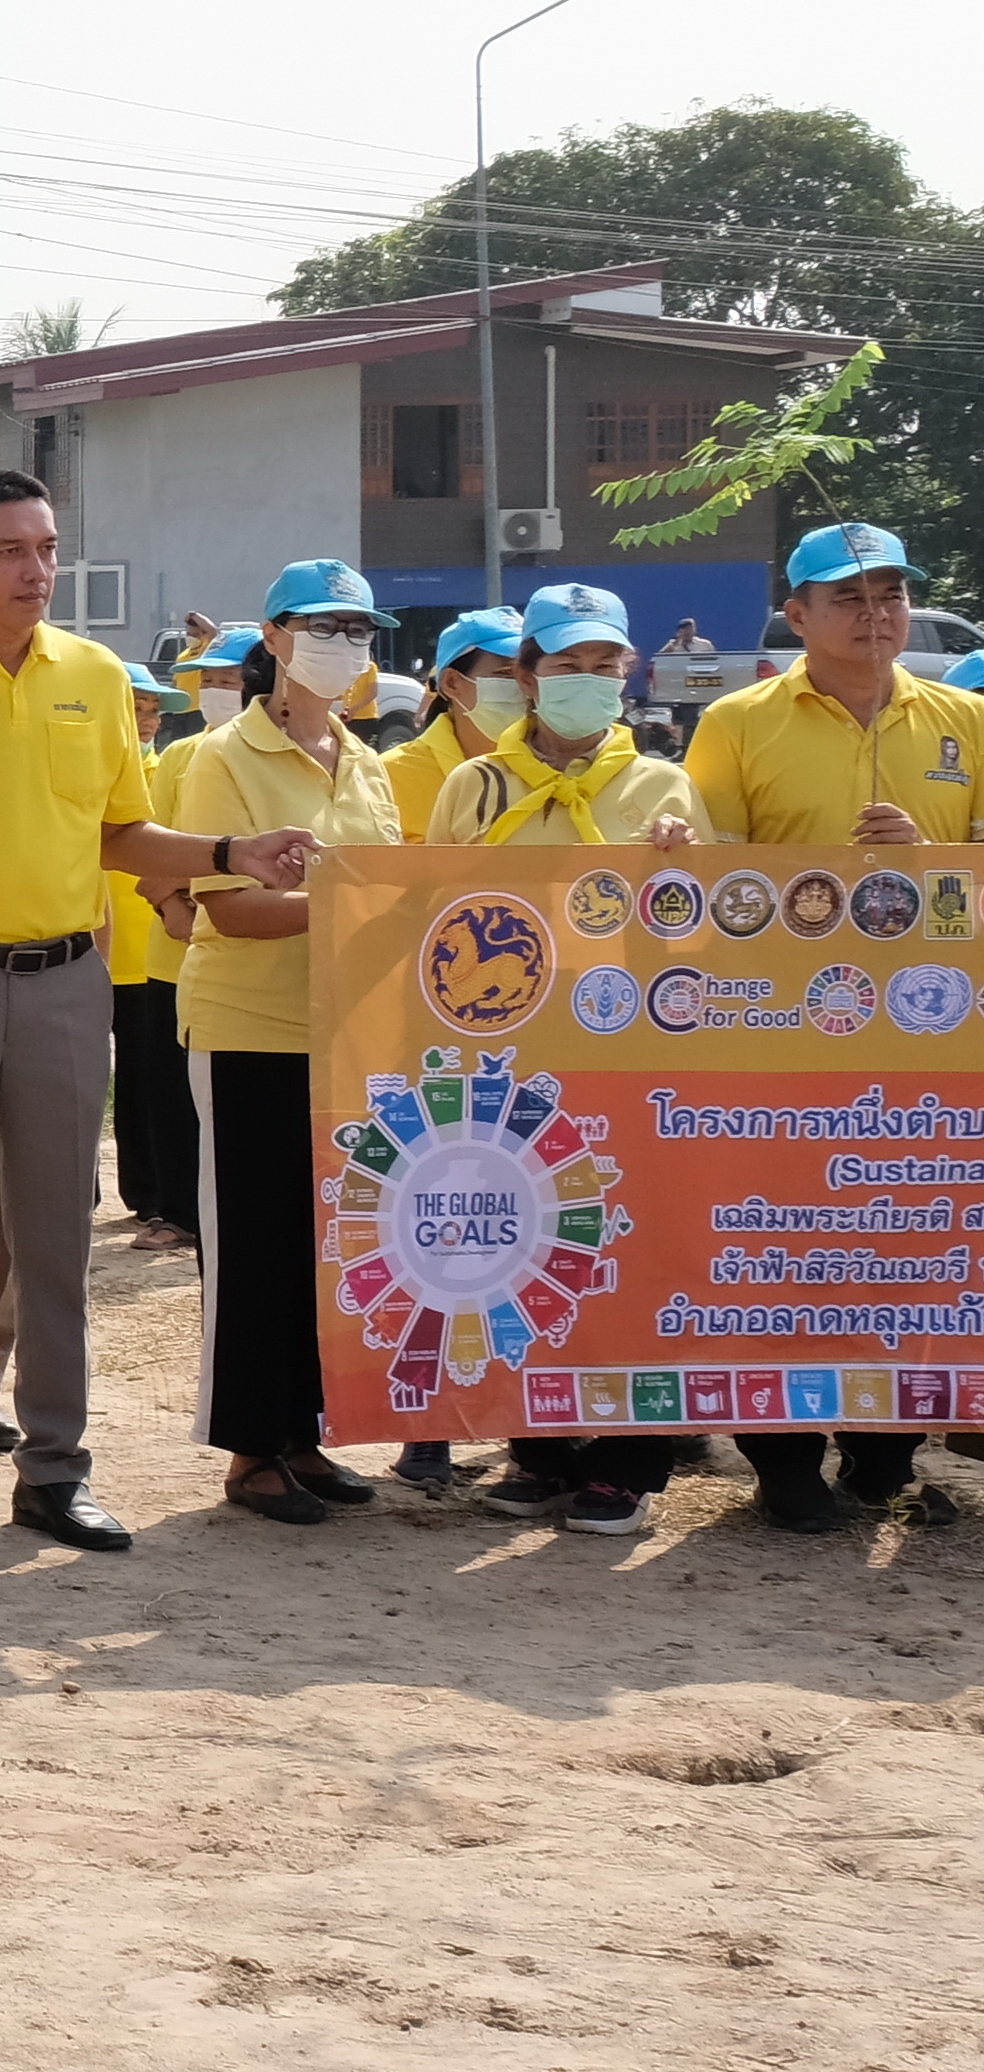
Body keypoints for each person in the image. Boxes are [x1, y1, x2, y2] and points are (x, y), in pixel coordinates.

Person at [0, 471, 315, 1555]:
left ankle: (53, 1468)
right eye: (7, 552)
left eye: (44, 548)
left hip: (60, 985)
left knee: (55, 1241)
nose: (34, 570)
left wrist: (232, 855)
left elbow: (120, 835)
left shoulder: (89, 675)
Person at [683, 522, 981, 1531]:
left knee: (899, 1242)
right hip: (777, 1036)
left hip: (925, 1037)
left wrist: (929, 857)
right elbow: (703, 885)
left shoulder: (964, 719)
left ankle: (883, 1453)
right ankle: (779, 1461)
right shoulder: (732, 721)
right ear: (794, 614)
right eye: (847, 596)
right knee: (780, 1243)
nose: (875, 613)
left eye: (890, 592)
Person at [425, 585, 702, 1535]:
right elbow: (433, 915)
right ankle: (536, 1448)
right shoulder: (474, 787)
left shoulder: (665, 786)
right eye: (566, 664)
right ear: (530, 675)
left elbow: (700, 936)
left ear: (627, 675)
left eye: (605, 665)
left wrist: (680, 869)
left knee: (635, 1241)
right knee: (521, 1240)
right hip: (508, 1053)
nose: (587, 682)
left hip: (630, 1047)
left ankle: (628, 1462)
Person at [173, 565, 411, 1527]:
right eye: (324, 625)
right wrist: (351, 902)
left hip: (346, 1039)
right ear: (273, 635)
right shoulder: (223, 754)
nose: (345, 644)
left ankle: (303, 1431)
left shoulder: (369, 762)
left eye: (360, 629)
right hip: (248, 1030)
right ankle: (249, 1446)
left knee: (326, 1250)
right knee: (256, 1247)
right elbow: (230, 913)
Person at [104, 658, 201, 1261]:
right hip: (98, 953)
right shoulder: (107, 773)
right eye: (136, 708)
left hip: (150, 955)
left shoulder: (165, 768)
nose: (146, 720)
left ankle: (152, 1198)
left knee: (144, 1083)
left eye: (152, 711)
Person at [393, 611, 525, 835]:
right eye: (506, 674)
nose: (523, 688)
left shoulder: (560, 769)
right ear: (452, 683)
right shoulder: (391, 774)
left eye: (528, 675)